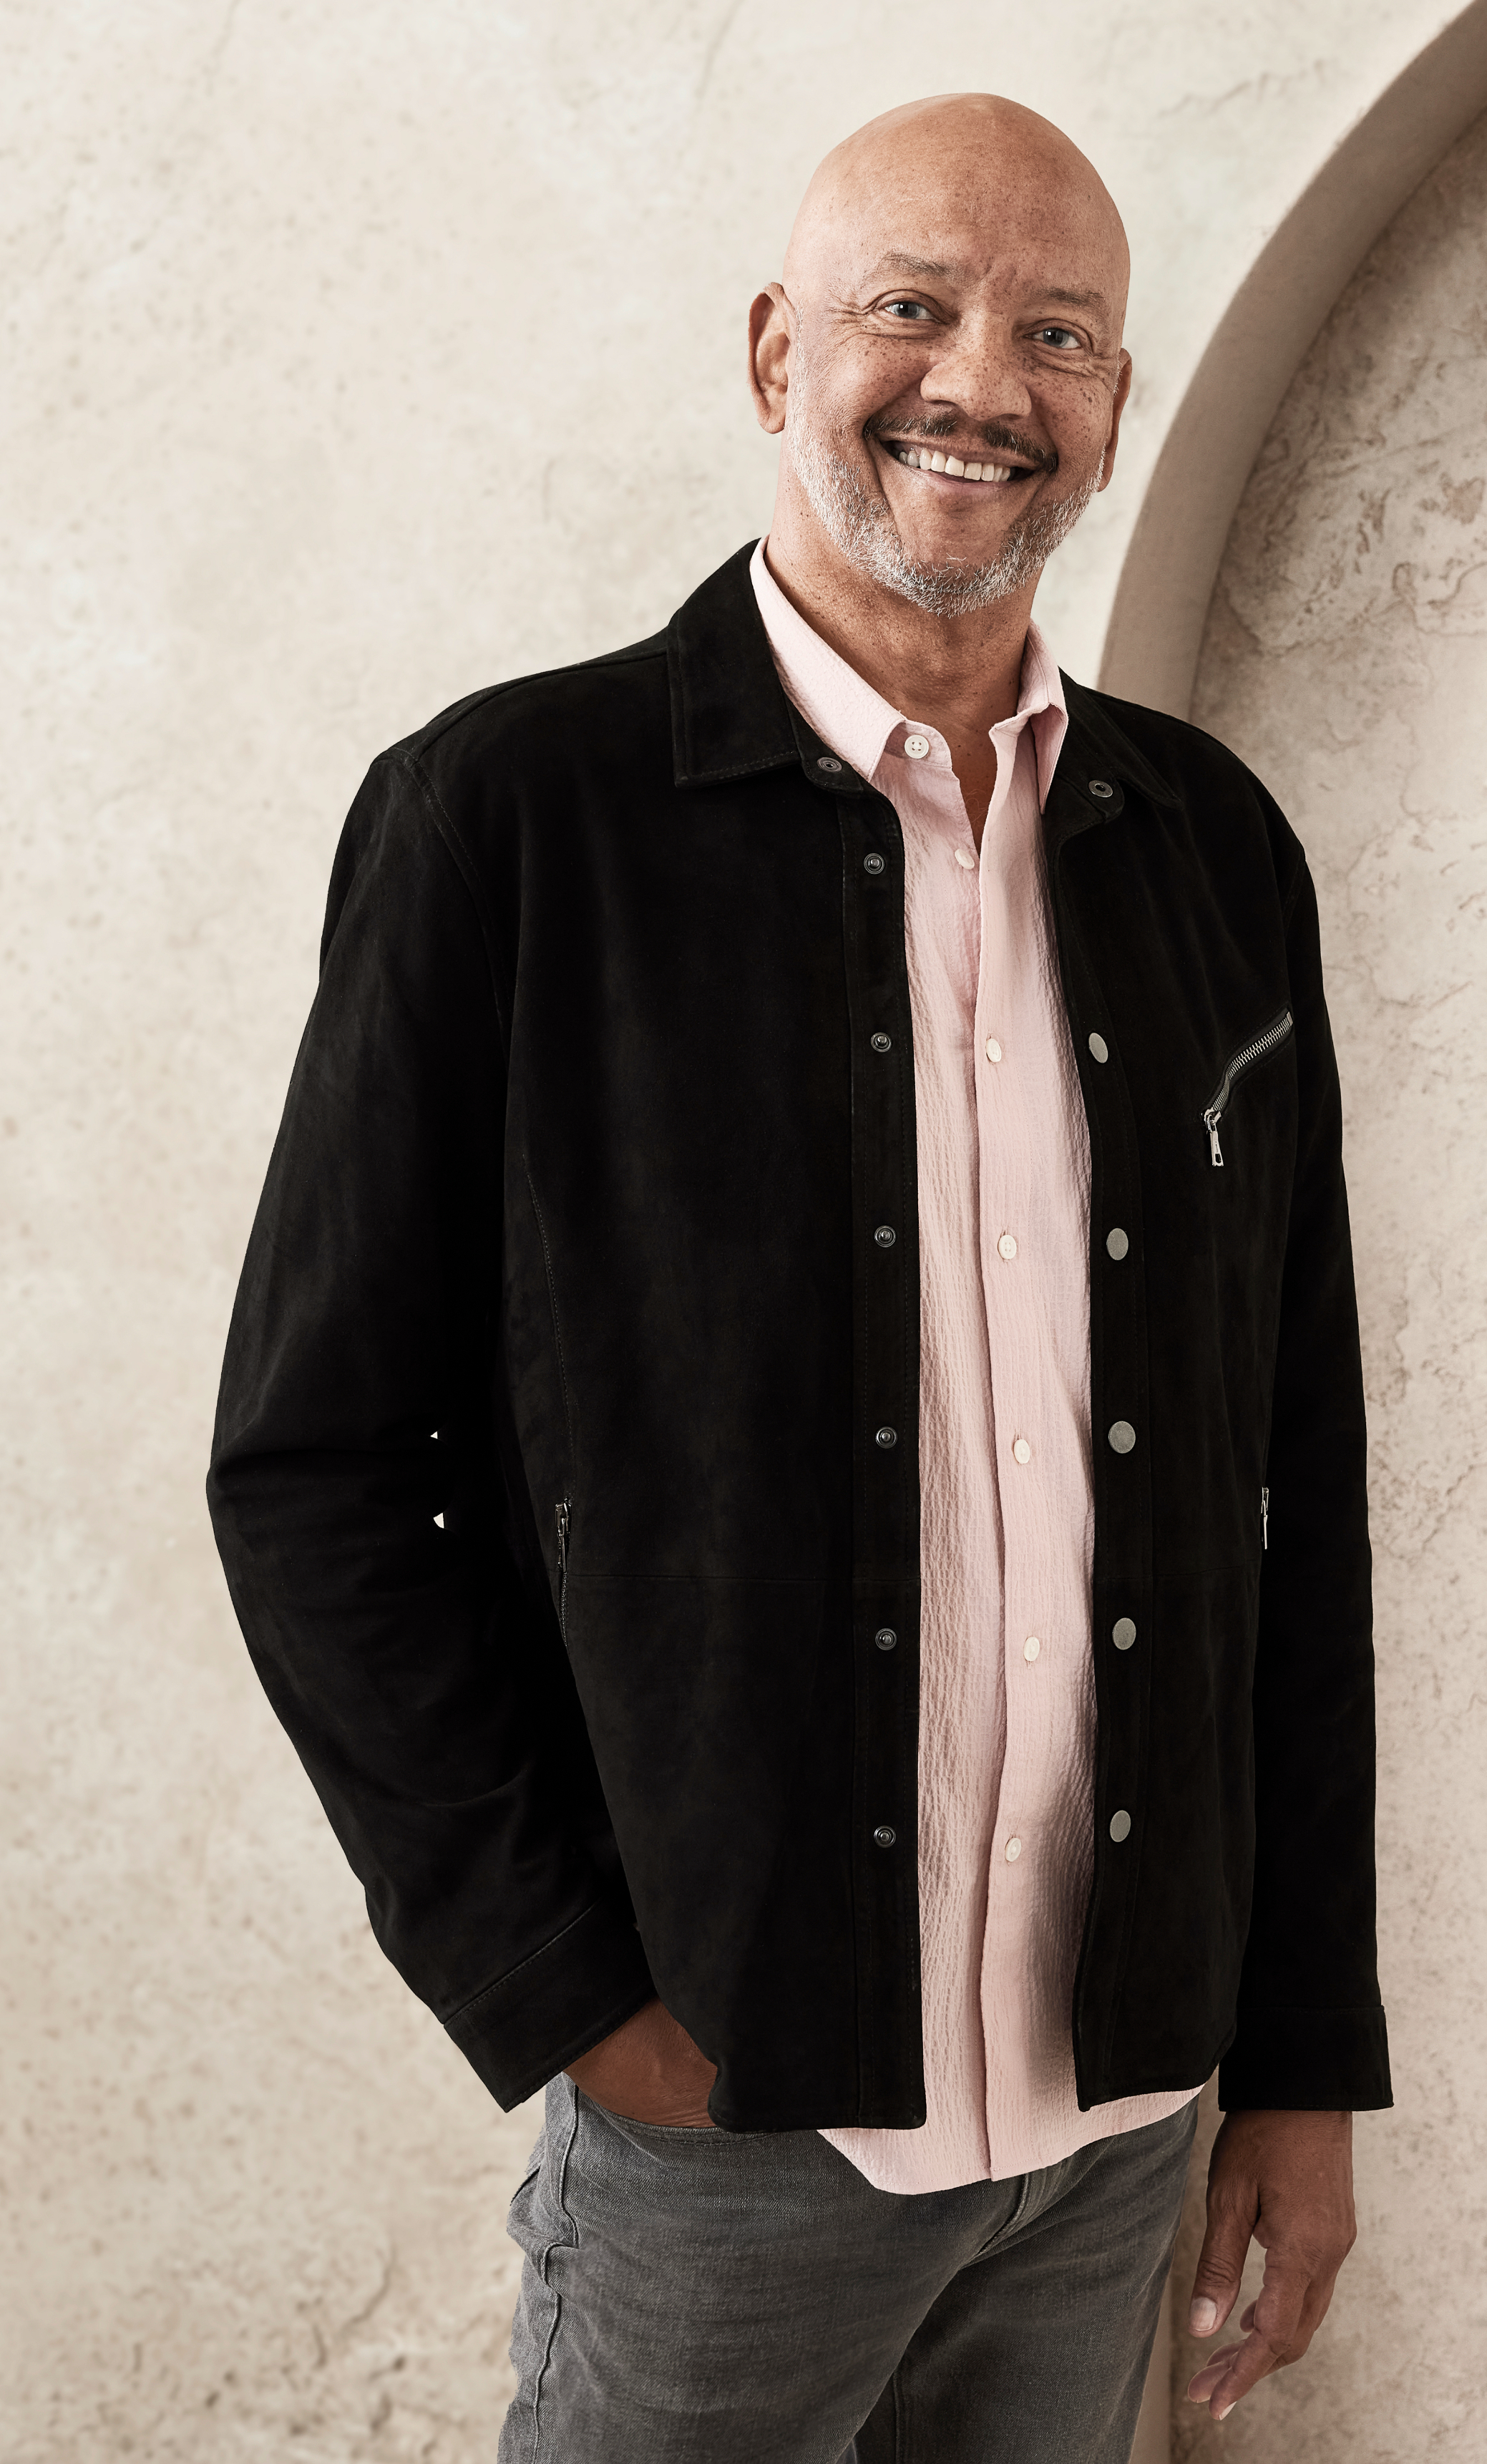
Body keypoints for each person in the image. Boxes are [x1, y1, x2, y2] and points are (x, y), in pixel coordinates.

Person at [208, 89, 1390, 2464]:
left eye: (1056, 331)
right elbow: (318, 1470)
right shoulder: (506, 823)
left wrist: (1295, 2057)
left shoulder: (1213, 854)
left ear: (1113, 404)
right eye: (911, 304)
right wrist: (578, 1995)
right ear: (775, 353)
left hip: (1118, 2127)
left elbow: (1299, 1489)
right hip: (728, 2124)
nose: (983, 377)